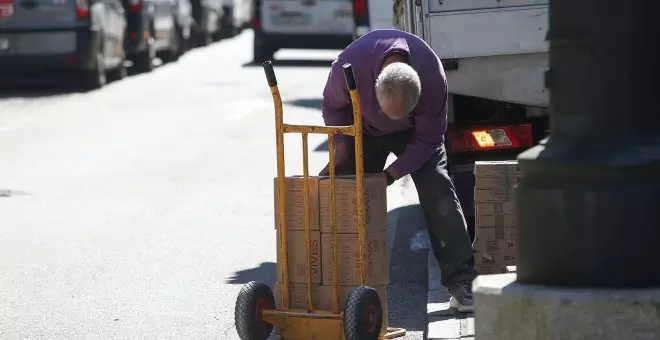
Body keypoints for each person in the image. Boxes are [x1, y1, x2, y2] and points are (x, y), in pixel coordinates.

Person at [318, 29, 478, 312]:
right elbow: (332, 105)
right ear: (374, 91)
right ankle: (332, 281)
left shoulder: (432, 77)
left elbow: (428, 139)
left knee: (438, 193)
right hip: (362, 130)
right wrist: (342, 144)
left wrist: (391, 174)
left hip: (415, 136)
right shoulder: (349, 66)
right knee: (340, 191)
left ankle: (462, 281)